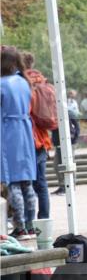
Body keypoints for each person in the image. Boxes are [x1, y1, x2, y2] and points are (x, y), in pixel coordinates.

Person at [1, 46, 38, 240]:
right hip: (25, 130)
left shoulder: (2, 84)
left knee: (13, 181)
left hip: (8, 132)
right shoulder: (24, 82)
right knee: (27, 182)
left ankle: (20, 226)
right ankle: (31, 225)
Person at [20, 52, 53, 224]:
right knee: (42, 183)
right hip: (42, 139)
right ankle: (44, 218)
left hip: (29, 138)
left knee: (28, 182)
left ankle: (28, 221)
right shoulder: (41, 81)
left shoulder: (24, 83)